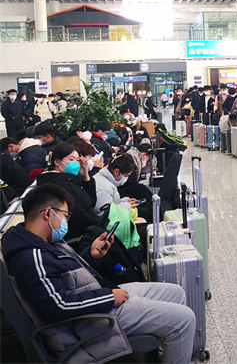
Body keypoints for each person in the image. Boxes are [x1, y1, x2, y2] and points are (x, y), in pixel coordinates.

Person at [2, 183, 196, 363]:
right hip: (92, 319)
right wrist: (109, 297)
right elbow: (58, 306)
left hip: (96, 297)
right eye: (64, 215)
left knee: (176, 293)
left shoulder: (44, 242)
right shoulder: (31, 257)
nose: (65, 221)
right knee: (184, 320)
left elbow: (68, 276)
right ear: (48, 213)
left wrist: (92, 255)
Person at [36, 143, 101, 239]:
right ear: (57, 162)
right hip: (77, 235)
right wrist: (100, 224)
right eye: (71, 159)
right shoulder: (58, 184)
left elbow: (91, 202)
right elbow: (79, 216)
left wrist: (86, 177)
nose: (76, 163)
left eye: (77, 160)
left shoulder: (71, 179)